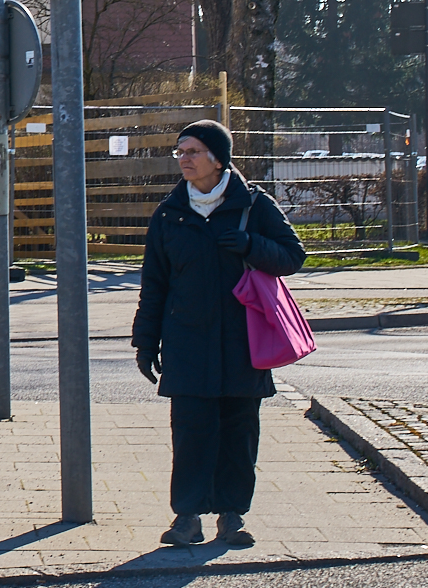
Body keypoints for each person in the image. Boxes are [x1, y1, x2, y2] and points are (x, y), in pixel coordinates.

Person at [131, 119, 306, 548]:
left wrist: (250, 245)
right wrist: (145, 340)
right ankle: (186, 518)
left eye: (192, 151)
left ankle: (232, 517)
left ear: (217, 158)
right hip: (186, 341)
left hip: (243, 342)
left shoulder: (253, 205)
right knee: (190, 432)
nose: (184, 160)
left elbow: (293, 255)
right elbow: (154, 282)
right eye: (180, 152)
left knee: (238, 430)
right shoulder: (170, 212)